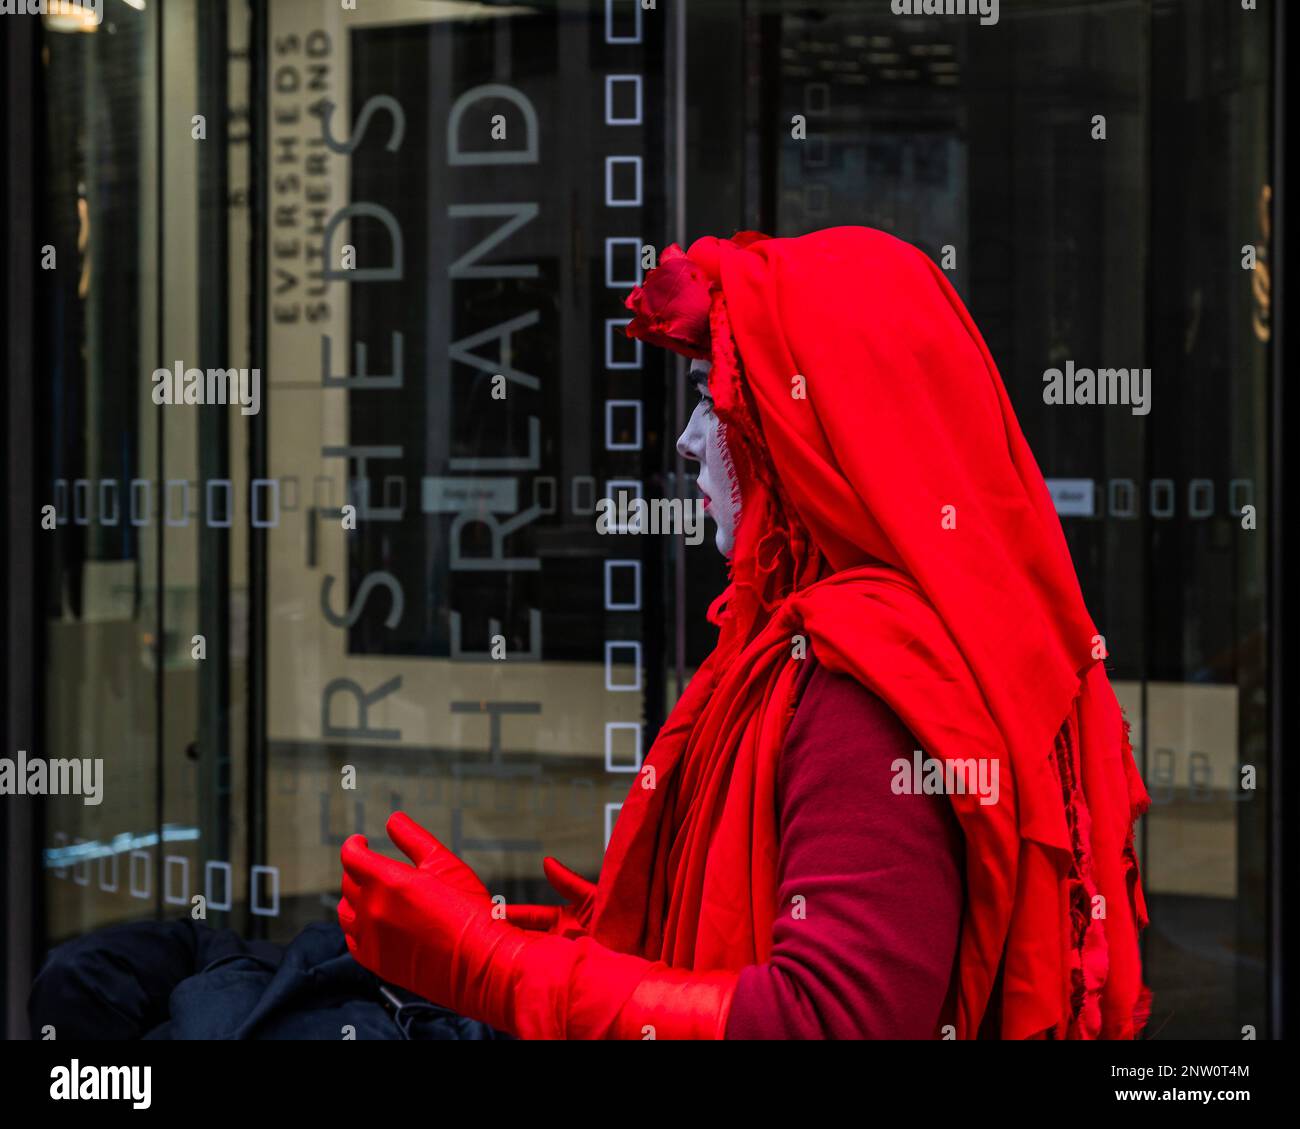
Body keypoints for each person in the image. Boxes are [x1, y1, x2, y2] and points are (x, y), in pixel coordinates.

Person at [338, 226, 1153, 1040]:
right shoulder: (839, 638)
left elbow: (826, 1023)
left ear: (820, 422)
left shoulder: (865, 685)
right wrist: (522, 935)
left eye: (711, 395)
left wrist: (492, 964)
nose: (690, 439)